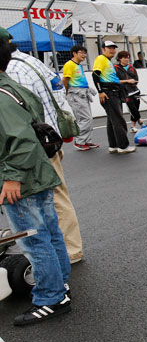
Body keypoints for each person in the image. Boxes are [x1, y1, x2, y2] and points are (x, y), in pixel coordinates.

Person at [0, 26, 73, 325]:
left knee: (34, 241)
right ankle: (60, 285)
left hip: (23, 181)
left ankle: (51, 297)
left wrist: (12, 178)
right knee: (50, 233)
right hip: (39, 174)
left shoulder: (1, 96)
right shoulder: (13, 86)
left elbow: (22, 141)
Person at [6, 41, 86, 264]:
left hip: (35, 145)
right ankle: (67, 250)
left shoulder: (12, 70)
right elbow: (59, 92)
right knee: (56, 197)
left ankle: (66, 252)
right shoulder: (32, 62)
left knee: (47, 201)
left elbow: (20, 116)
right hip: (50, 138)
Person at [91, 40, 134, 154]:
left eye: (113, 48)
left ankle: (113, 145)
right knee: (118, 120)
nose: (112, 50)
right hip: (109, 92)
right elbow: (95, 75)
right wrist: (100, 91)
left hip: (113, 91)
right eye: (109, 48)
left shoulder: (107, 61)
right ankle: (123, 146)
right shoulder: (101, 58)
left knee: (112, 120)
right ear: (103, 49)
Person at [62, 45, 99, 151]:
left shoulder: (78, 65)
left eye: (84, 53)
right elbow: (65, 80)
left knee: (88, 118)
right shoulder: (69, 64)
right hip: (76, 95)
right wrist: (68, 93)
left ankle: (86, 140)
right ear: (74, 53)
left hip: (83, 94)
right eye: (81, 52)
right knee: (84, 119)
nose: (84, 55)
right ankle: (79, 141)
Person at [115, 51, 142, 131]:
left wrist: (134, 82)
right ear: (120, 59)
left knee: (136, 108)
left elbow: (136, 79)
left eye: (128, 58)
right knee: (132, 108)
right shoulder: (115, 68)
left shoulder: (132, 67)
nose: (127, 59)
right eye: (125, 58)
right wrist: (127, 81)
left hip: (135, 91)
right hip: (125, 92)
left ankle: (133, 126)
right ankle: (140, 121)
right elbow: (115, 80)